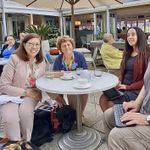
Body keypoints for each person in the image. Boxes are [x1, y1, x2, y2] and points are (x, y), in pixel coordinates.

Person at [0, 33, 46, 142]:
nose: (34, 47)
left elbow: (43, 80)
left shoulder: (41, 62)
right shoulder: (14, 59)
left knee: (25, 113)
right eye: (30, 44)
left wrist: (55, 96)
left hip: (32, 94)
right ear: (24, 44)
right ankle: (15, 144)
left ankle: (26, 141)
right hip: (11, 94)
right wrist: (25, 92)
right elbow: (3, 85)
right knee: (11, 118)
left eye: (37, 44)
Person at [99, 27, 150, 112]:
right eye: (128, 35)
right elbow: (124, 73)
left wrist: (127, 87)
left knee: (110, 104)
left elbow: (146, 81)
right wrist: (118, 82)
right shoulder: (127, 54)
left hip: (136, 91)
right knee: (103, 98)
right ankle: (112, 123)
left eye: (133, 34)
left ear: (140, 36)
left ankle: (118, 121)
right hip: (123, 87)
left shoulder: (146, 55)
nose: (130, 37)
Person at [103, 60, 150, 150]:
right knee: (108, 115)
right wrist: (137, 103)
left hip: (147, 118)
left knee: (116, 136)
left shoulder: (144, 54)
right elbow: (146, 83)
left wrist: (146, 119)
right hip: (143, 109)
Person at [52, 35, 88, 113]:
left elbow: (85, 71)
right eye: (64, 46)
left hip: (79, 82)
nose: (67, 47)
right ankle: (75, 114)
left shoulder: (79, 56)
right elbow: (54, 76)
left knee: (84, 94)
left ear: (72, 46)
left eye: (68, 44)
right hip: (65, 85)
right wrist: (59, 97)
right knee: (71, 94)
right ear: (61, 49)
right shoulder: (58, 60)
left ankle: (80, 114)